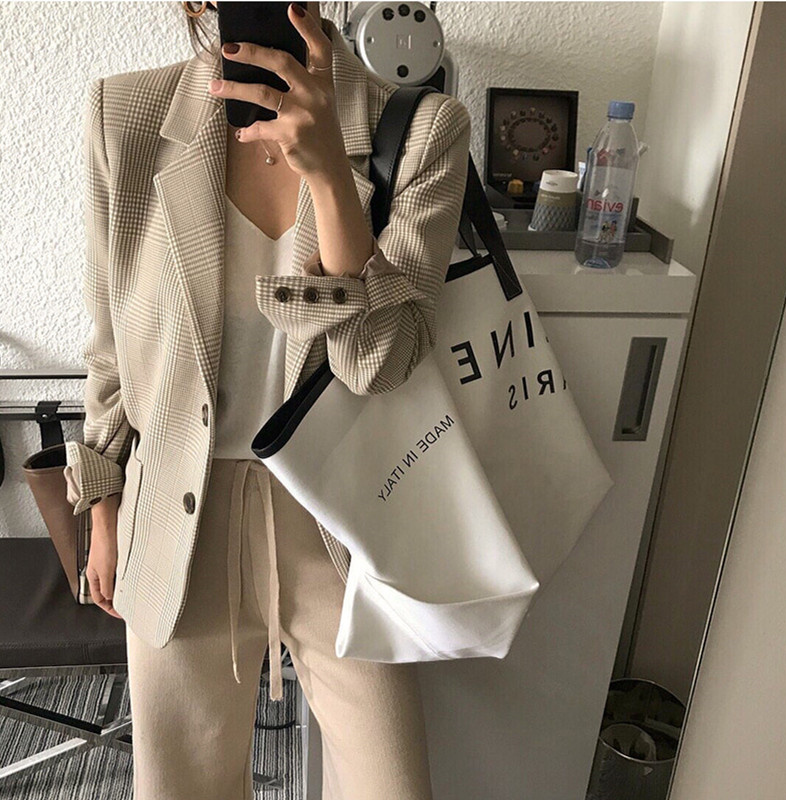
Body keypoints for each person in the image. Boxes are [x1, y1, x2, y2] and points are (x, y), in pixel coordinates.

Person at [63, 2, 471, 798]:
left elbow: (380, 364)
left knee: (394, 785)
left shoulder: (422, 130)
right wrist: (104, 506)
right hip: (177, 512)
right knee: (182, 787)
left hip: (342, 517)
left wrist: (330, 176)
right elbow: (111, 337)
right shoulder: (127, 115)